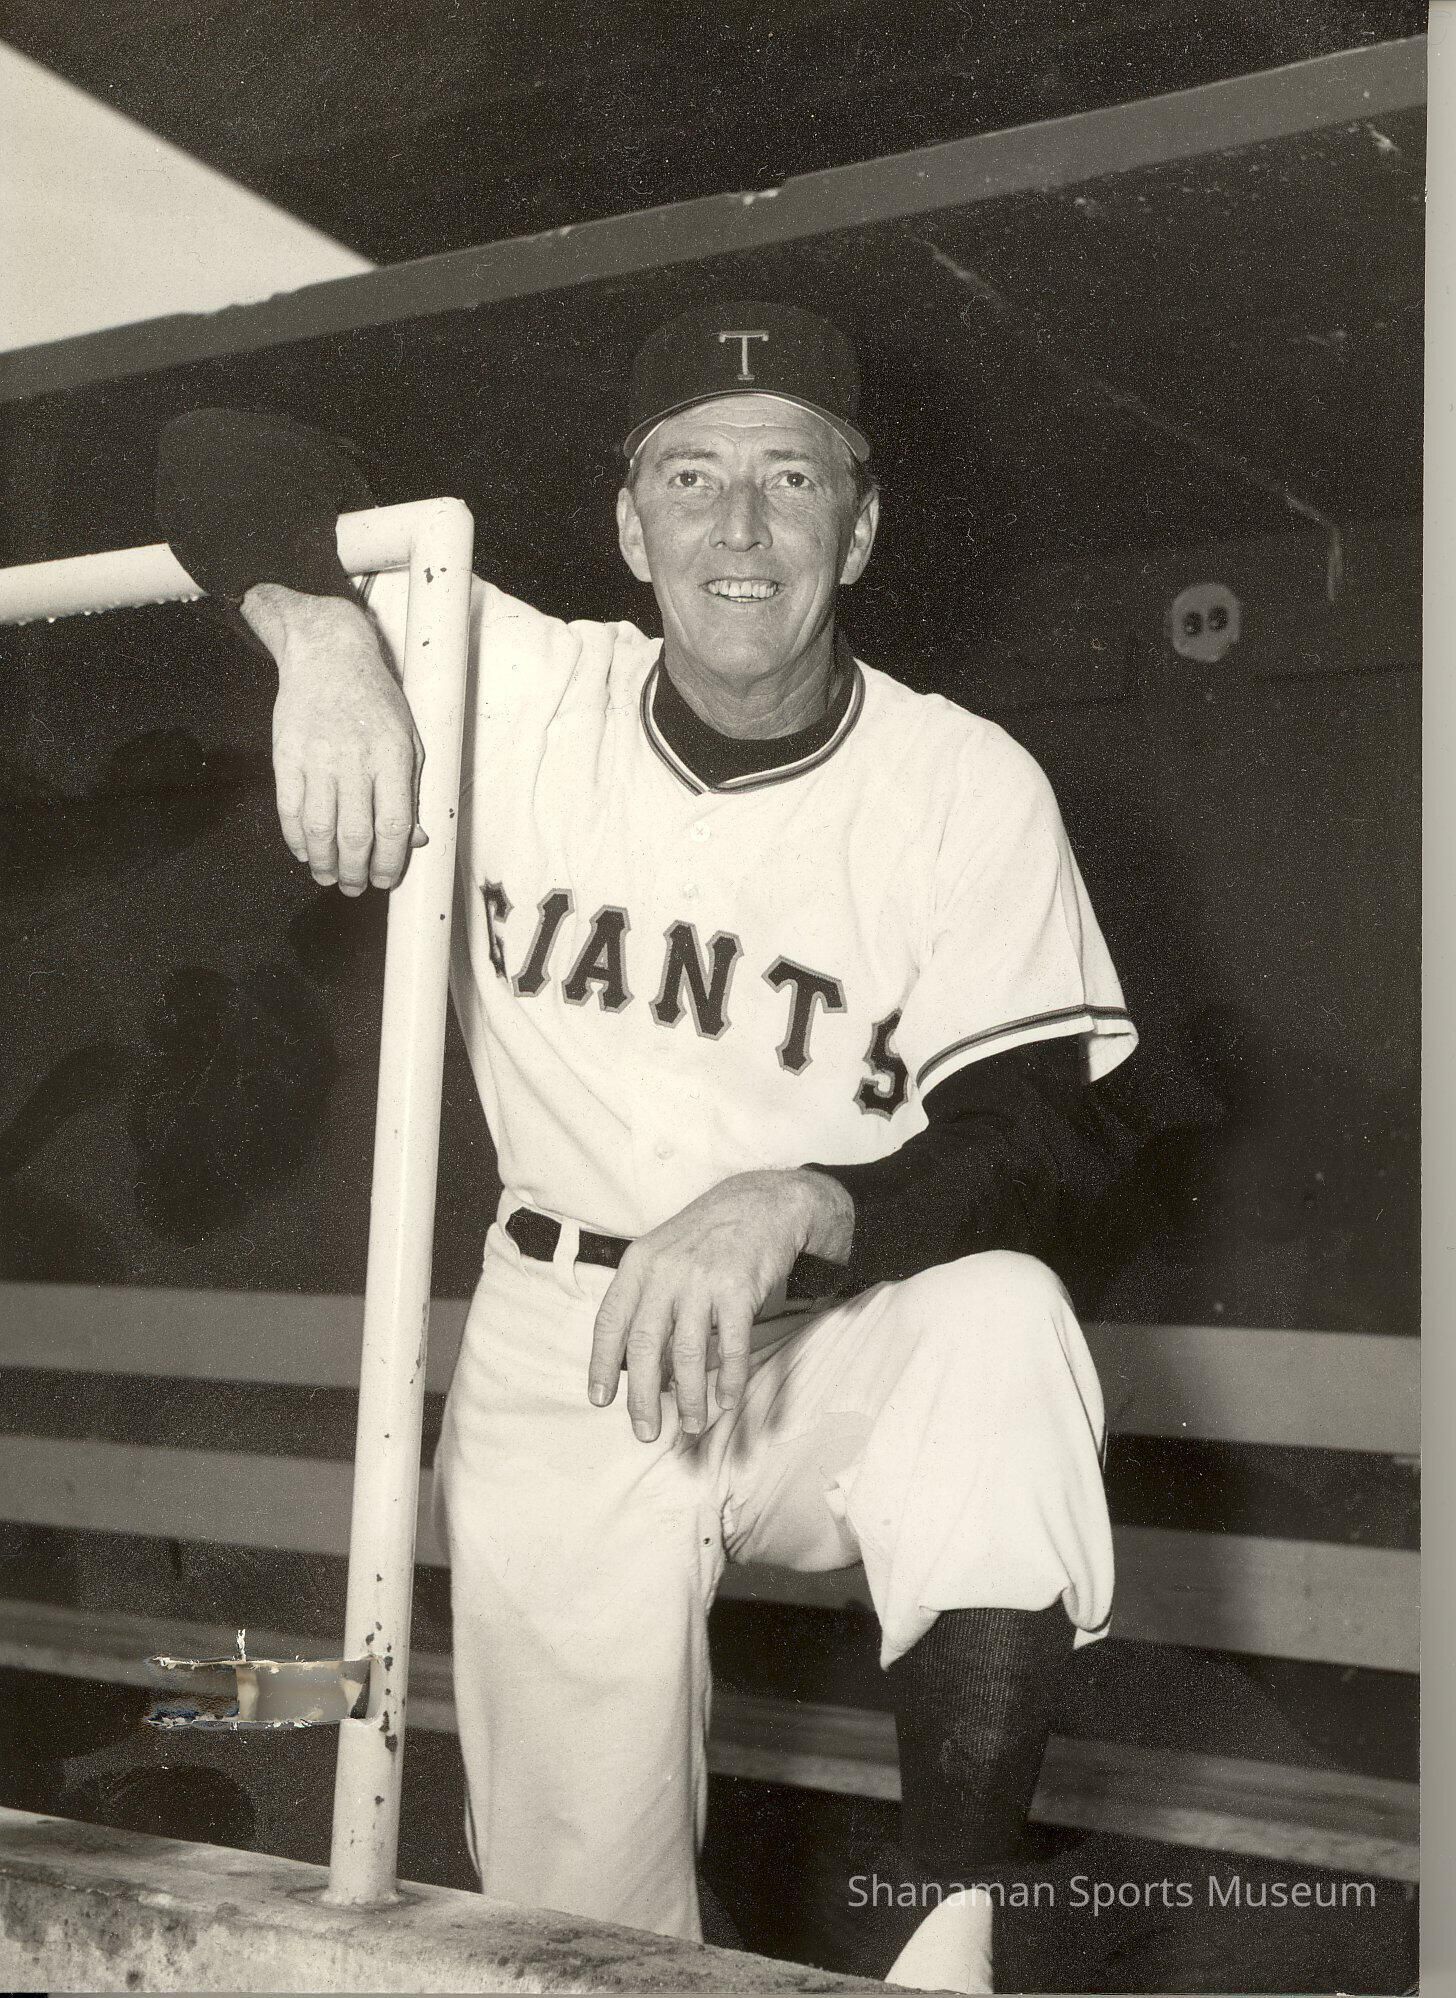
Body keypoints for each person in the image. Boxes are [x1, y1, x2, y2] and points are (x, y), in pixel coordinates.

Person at [156, 299, 1138, 1993]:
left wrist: (801, 1198)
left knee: (1004, 1322)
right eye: (690, 477)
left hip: (824, 1336)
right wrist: (322, 636)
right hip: (566, 1344)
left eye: (791, 478)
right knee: (581, 1925)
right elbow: (210, 450)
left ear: (860, 526)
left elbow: (1040, 1133)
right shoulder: (517, 684)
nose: (739, 528)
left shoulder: (965, 784)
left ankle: (953, 1933)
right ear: (629, 525)